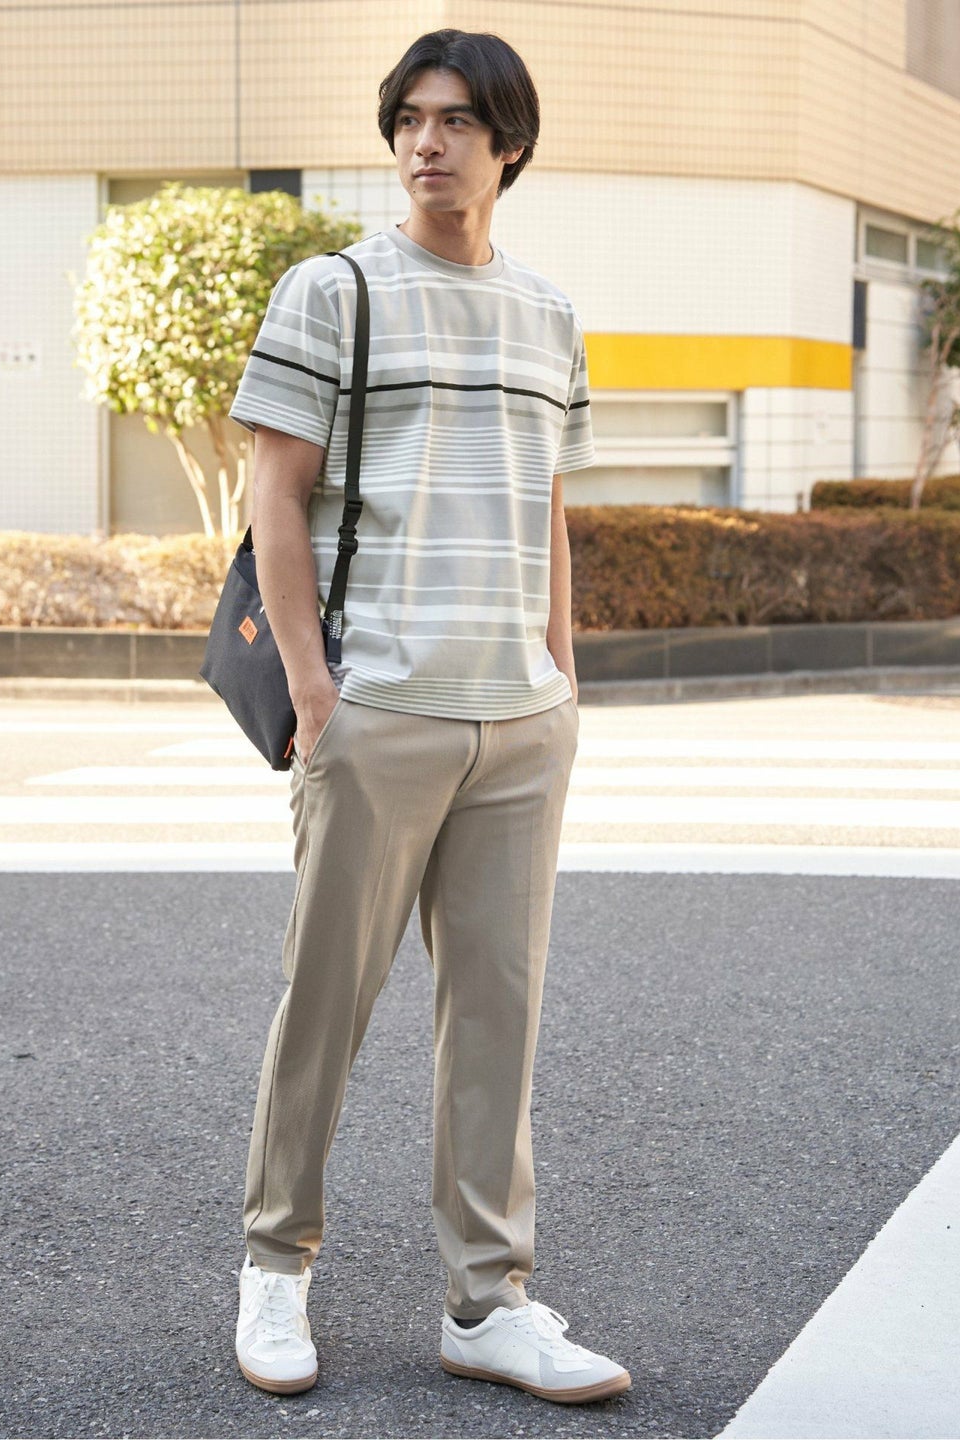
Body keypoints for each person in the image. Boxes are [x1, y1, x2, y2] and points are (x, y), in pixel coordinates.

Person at [225, 27, 631, 1407]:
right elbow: (275, 494)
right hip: (380, 708)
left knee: (498, 1018)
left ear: (509, 143)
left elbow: (548, 504)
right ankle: (274, 1268)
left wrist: (562, 677)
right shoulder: (333, 291)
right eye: (408, 117)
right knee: (325, 1006)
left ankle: (486, 1302)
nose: (426, 141)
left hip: (518, 723)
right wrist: (314, 689)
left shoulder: (550, 314)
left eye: (456, 120)